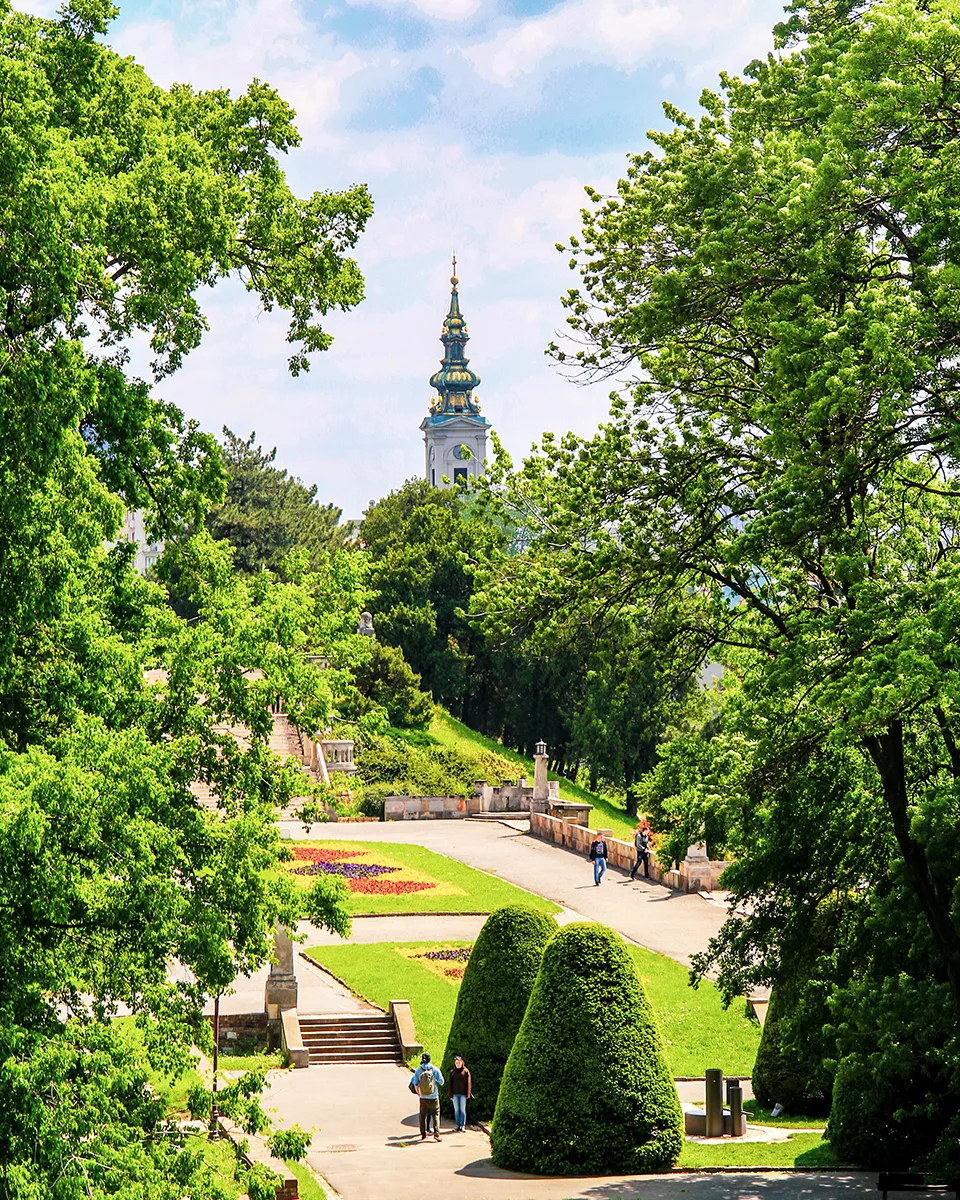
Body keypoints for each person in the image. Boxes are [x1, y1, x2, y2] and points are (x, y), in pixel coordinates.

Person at [409, 1051, 444, 1141]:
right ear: (430, 1059)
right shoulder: (435, 1069)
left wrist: (419, 1093)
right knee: (436, 1114)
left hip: (423, 1097)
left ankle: (423, 1134)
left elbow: (416, 1084)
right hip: (434, 1096)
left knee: (422, 1116)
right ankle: (436, 1133)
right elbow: (442, 1082)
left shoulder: (418, 1070)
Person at [448, 1053, 472, 1132]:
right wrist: (450, 1094)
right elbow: (450, 1084)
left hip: (463, 1095)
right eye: (456, 1063)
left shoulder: (465, 1071)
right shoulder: (452, 1072)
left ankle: (462, 1125)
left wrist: (468, 1094)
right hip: (455, 1094)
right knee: (457, 1110)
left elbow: (468, 1084)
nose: (458, 1064)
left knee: (462, 1110)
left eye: (459, 1062)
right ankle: (458, 1125)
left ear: (462, 1062)